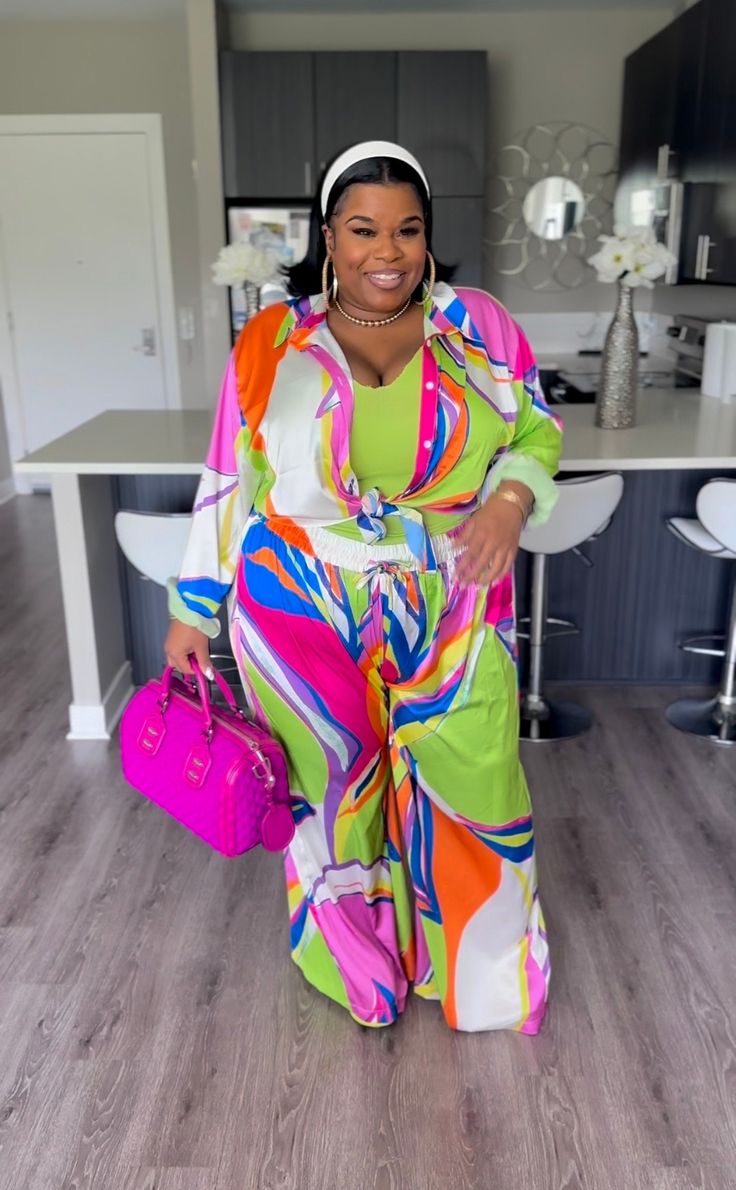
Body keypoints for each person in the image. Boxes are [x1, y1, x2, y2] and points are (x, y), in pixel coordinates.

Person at [164, 140, 563, 1033]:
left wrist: (507, 502)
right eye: (363, 229)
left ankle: (480, 978)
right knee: (330, 794)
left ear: (428, 237)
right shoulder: (273, 339)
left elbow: (537, 432)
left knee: (477, 783)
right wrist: (194, 606)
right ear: (329, 236)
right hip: (298, 604)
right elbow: (230, 477)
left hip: (451, 599)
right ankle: (360, 973)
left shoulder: (483, 325)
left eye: (408, 229)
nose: (388, 251)